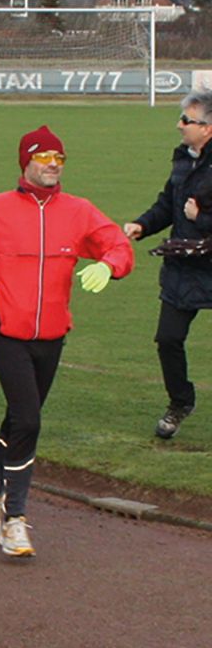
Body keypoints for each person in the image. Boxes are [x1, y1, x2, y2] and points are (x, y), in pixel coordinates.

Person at [0, 126, 133, 557]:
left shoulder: (79, 211)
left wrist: (109, 266)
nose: (53, 165)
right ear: (25, 162)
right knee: (29, 420)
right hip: (4, 334)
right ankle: (15, 518)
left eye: (59, 158)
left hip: (51, 337)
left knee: (19, 417)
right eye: (44, 157)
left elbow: (118, 245)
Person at [124, 90, 212, 440]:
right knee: (168, 339)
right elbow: (168, 204)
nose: (179, 125)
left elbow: (194, 214)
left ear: (207, 127)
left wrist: (201, 218)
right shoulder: (183, 160)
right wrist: (142, 225)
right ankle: (180, 403)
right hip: (183, 266)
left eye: (187, 120)